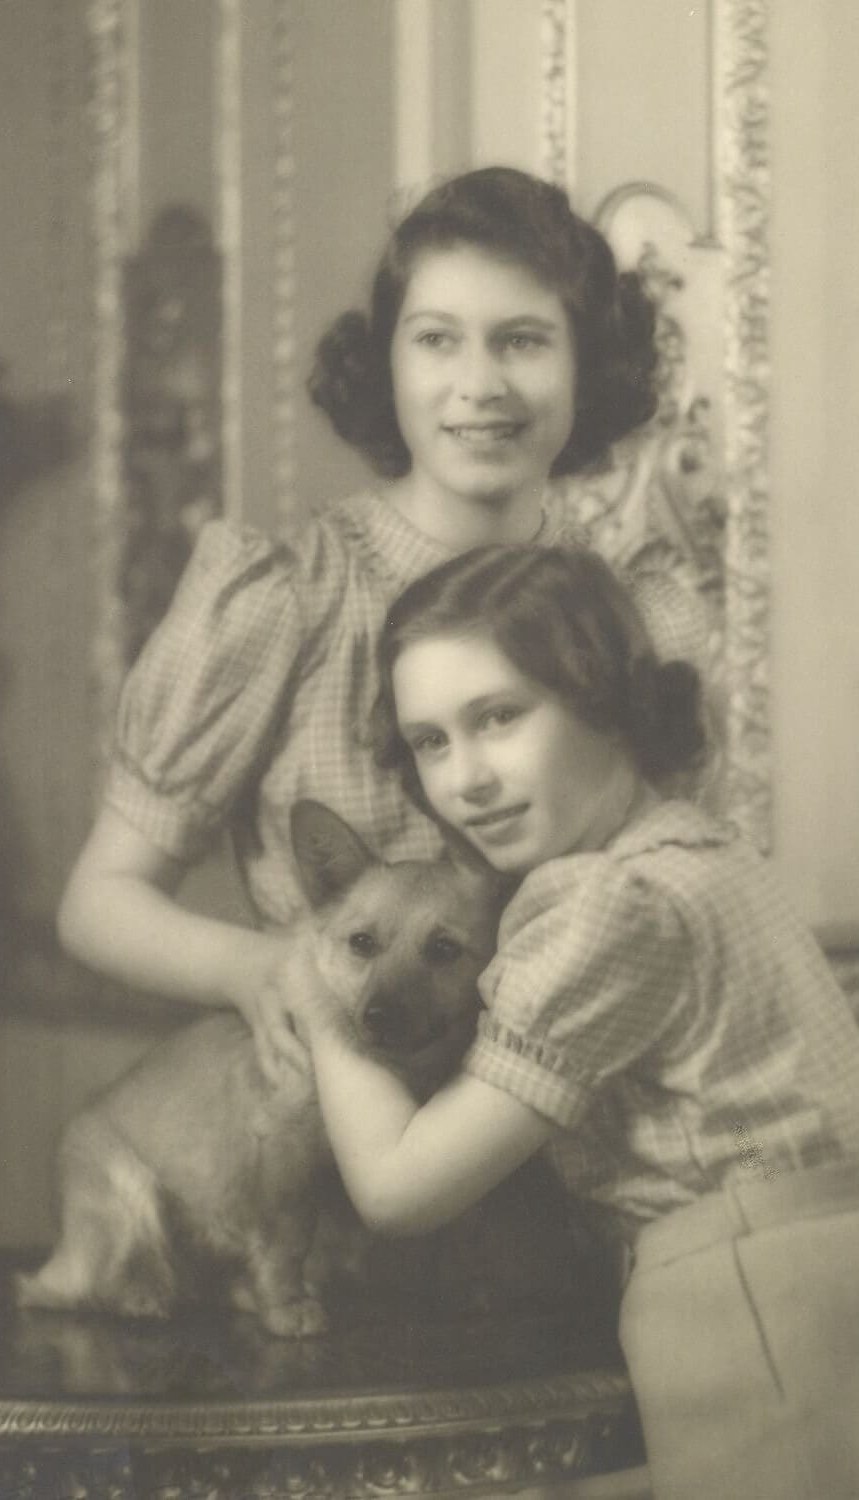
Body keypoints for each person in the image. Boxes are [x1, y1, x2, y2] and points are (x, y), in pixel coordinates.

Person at [57, 165, 672, 1073]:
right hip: (344, 1116)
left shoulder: (638, 611)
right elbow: (98, 903)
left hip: (580, 1138)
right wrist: (259, 969)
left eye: (524, 341)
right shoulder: (286, 599)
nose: (480, 384)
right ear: (387, 364)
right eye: (436, 341)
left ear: (588, 365)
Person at [300, 542, 859, 1500]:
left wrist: (316, 999)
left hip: (748, 1290)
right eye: (431, 741)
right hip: (798, 1256)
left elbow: (399, 1191)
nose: (466, 778)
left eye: (500, 718)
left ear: (607, 702)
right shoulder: (692, 850)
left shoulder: (611, 906)